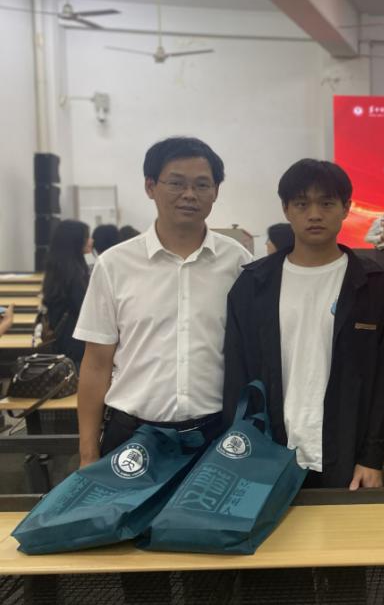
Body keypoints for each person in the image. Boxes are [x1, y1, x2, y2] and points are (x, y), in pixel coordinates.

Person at [74, 137, 252, 466]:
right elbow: (96, 364)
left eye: (202, 184)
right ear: (150, 186)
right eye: (176, 183)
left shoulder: (238, 263)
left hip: (215, 435)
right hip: (132, 436)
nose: (189, 194)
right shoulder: (115, 265)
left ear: (215, 191)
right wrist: (88, 453)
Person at [223, 159, 384, 489]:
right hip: (268, 451)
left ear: (346, 208)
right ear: (286, 209)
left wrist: (372, 457)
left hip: (346, 456)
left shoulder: (371, 285)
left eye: (326, 203)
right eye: (302, 204)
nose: (314, 214)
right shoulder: (253, 285)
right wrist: (240, 453)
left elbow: (382, 376)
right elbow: (237, 378)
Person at [40, 220, 92, 364]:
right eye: (86, 237)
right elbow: (84, 306)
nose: (90, 241)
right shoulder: (74, 274)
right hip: (74, 339)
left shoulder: (59, 268)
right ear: (75, 241)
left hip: (62, 336)